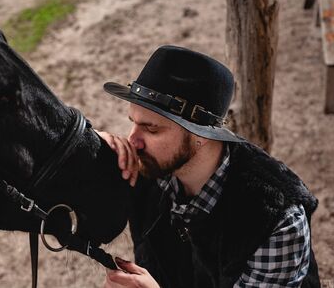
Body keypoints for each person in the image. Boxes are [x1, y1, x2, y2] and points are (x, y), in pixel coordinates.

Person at [96, 45, 320, 288]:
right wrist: (93, 148)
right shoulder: (149, 165)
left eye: (151, 129)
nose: (133, 141)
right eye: (133, 123)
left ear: (200, 135)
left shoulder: (276, 219)